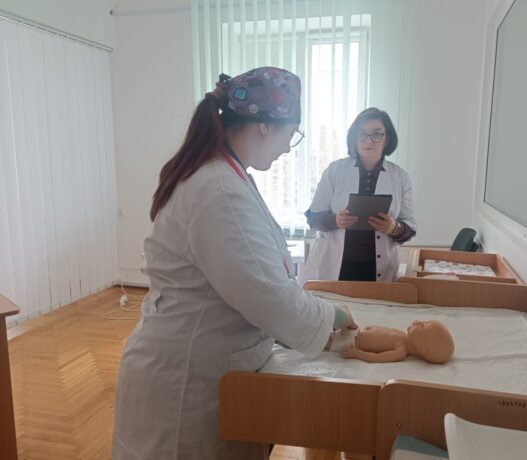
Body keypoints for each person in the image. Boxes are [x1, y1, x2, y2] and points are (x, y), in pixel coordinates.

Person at [112, 67, 357, 460]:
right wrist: (333, 317)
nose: (287, 148)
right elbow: (267, 295)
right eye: (291, 135)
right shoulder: (218, 189)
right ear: (265, 125)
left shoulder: (228, 175)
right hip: (187, 377)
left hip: (200, 358)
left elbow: (255, 272)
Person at [300, 108, 417, 284]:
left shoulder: (400, 177)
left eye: (377, 134)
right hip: (334, 265)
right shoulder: (335, 170)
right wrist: (335, 220)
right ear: (354, 138)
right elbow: (312, 217)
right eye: (362, 134)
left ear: (387, 139)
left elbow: (410, 228)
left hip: (379, 269)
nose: (369, 140)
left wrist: (394, 228)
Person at [329, 320, 455, 364]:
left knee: (324, 339)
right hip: (353, 329)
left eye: (423, 326)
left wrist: (357, 354)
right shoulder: (403, 335)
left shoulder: (401, 351)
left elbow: (376, 358)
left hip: (351, 342)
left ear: (421, 348)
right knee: (327, 322)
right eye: (425, 321)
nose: (417, 321)